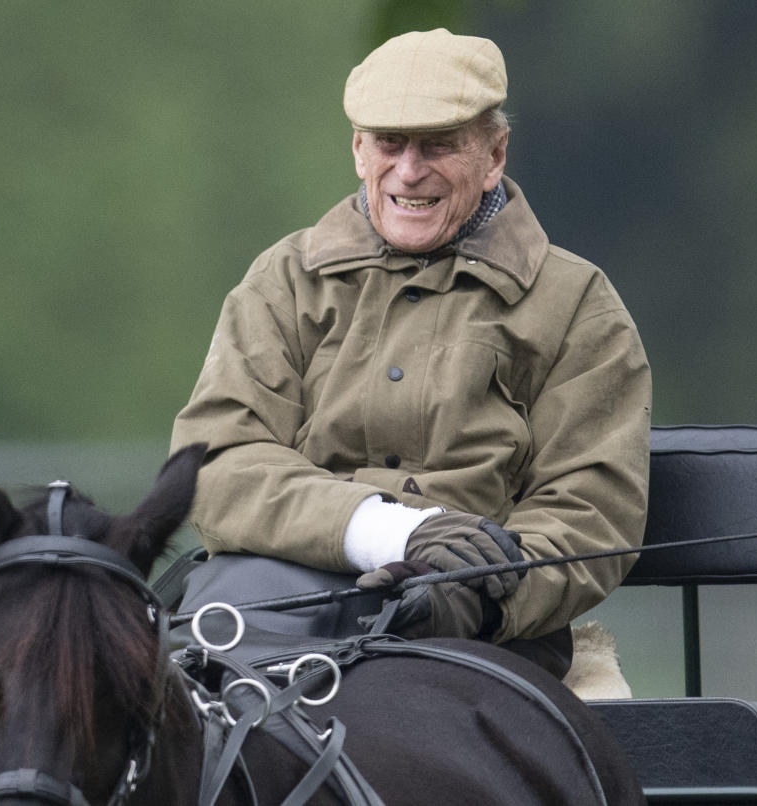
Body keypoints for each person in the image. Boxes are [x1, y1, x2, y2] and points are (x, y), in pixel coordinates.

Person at [170, 28, 651, 677]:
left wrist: (478, 597)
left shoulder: (575, 304)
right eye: (389, 143)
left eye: (439, 144)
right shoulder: (283, 281)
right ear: (358, 150)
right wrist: (389, 533)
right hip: (273, 615)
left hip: (486, 641)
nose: (409, 169)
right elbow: (216, 465)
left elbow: (589, 513)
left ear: (494, 154)